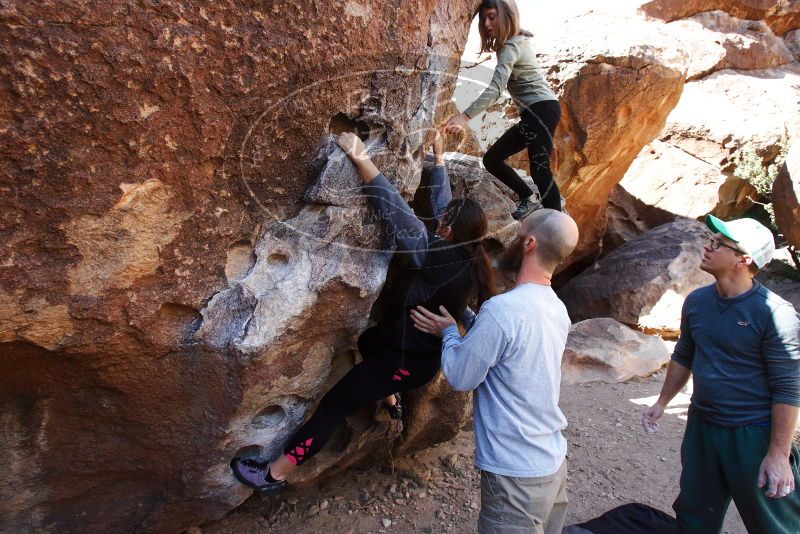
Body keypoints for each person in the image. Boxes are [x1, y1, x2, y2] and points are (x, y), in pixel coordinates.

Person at [230, 131, 496, 496]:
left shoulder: (433, 253)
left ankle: (272, 476)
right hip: (407, 356)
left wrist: (360, 159)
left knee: (333, 407)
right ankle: (390, 397)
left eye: (442, 222)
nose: (437, 222)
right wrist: (437, 158)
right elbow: (441, 206)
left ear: (448, 229)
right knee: (368, 340)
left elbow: (397, 211)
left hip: (400, 362)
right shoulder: (469, 256)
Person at [411, 208, 579, 534]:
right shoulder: (555, 308)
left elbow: (461, 376)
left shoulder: (503, 311)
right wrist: (472, 319)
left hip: (516, 476)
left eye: (518, 234)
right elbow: (513, 351)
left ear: (529, 243)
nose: (510, 241)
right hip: (551, 461)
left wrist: (448, 332)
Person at [642, 215, 800, 534]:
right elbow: (684, 354)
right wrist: (662, 401)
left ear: (744, 259)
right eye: (711, 239)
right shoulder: (697, 302)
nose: (708, 245)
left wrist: (778, 455)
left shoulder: (776, 314)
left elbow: (789, 388)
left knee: (775, 524)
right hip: (702, 427)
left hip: (752, 434)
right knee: (694, 514)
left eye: (719, 243)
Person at [445, 0, 562, 220]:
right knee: (492, 159)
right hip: (536, 112)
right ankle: (528, 197)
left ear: (506, 15)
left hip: (542, 109)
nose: (487, 23)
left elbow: (496, 89)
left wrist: (464, 116)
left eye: (492, 16)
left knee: (540, 168)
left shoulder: (511, 46)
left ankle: (557, 221)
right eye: (484, 19)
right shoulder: (515, 42)